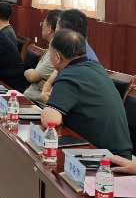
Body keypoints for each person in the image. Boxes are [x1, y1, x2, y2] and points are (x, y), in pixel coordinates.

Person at [41, 30, 132, 159]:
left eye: (50, 54)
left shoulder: (69, 76)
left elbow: (50, 120)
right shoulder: (96, 67)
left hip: (105, 159)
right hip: (121, 154)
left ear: (57, 57)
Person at [40, 9, 99, 103]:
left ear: (65, 32)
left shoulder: (81, 59)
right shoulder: (70, 52)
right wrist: (44, 93)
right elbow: (51, 81)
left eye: (57, 27)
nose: (55, 33)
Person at [23, 10, 62, 106]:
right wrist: (36, 79)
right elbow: (31, 76)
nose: (41, 27)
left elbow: (32, 76)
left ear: (49, 29)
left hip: (37, 103)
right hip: (30, 98)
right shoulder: (50, 48)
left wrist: (33, 77)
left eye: (42, 24)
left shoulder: (57, 53)